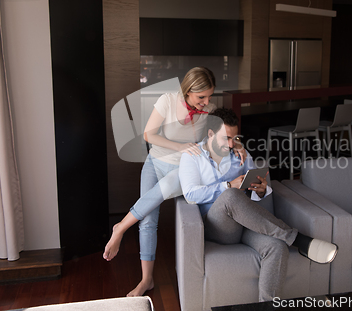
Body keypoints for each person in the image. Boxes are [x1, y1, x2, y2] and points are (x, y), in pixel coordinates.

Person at [103, 67, 245, 297]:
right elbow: (149, 135)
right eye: (202, 97)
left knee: (166, 187)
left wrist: (237, 144)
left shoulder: (208, 111)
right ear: (188, 91)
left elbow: (222, 133)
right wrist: (180, 146)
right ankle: (146, 280)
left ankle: (120, 227)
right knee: (148, 220)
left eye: (209, 96)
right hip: (154, 161)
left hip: (182, 168)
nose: (206, 102)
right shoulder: (167, 101)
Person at [179, 107, 338, 302]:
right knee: (230, 196)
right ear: (210, 134)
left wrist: (261, 190)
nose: (231, 144)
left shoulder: (240, 154)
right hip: (218, 226)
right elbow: (190, 194)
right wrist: (228, 185)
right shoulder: (192, 156)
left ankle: (268, 305)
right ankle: (297, 239)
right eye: (226, 138)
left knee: (277, 247)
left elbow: (256, 184)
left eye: (235, 138)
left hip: (247, 223)